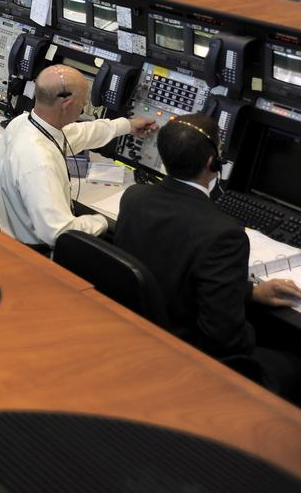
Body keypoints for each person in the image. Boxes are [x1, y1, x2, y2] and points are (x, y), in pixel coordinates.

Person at [114, 115, 301, 400]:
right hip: (189, 358)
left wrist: (249, 292)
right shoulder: (224, 234)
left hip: (139, 337)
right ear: (213, 163)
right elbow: (227, 341)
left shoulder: (134, 197)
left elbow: (170, 268)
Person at [0, 64, 157, 250]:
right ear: (67, 105)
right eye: (83, 104)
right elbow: (59, 233)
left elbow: (79, 133)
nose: (83, 109)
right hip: (34, 254)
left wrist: (127, 125)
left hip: (9, 232)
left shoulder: (23, 123)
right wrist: (103, 221)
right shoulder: (40, 162)